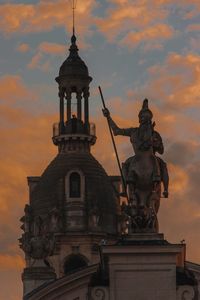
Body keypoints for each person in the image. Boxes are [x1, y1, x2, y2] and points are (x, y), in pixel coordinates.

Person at [102, 99, 169, 198]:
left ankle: (166, 189)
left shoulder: (154, 134)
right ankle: (125, 189)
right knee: (125, 166)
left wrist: (156, 143)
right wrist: (108, 117)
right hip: (136, 157)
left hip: (151, 156)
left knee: (162, 166)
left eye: (146, 118)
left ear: (149, 119)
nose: (143, 119)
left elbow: (161, 151)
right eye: (142, 117)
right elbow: (117, 131)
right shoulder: (133, 131)